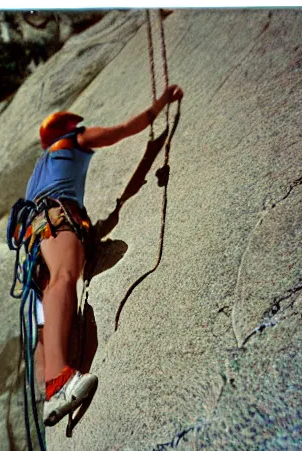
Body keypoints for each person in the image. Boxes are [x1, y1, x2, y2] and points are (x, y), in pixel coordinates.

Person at [25, 84, 184, 427]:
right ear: (68, 129)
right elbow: (124, 130)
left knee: (51, 297)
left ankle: (51, 387)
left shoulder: (40, 168)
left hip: (35, 235)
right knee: (65, 279)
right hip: (57, 220)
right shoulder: (75, 141)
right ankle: (59, 383)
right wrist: (160, 106)